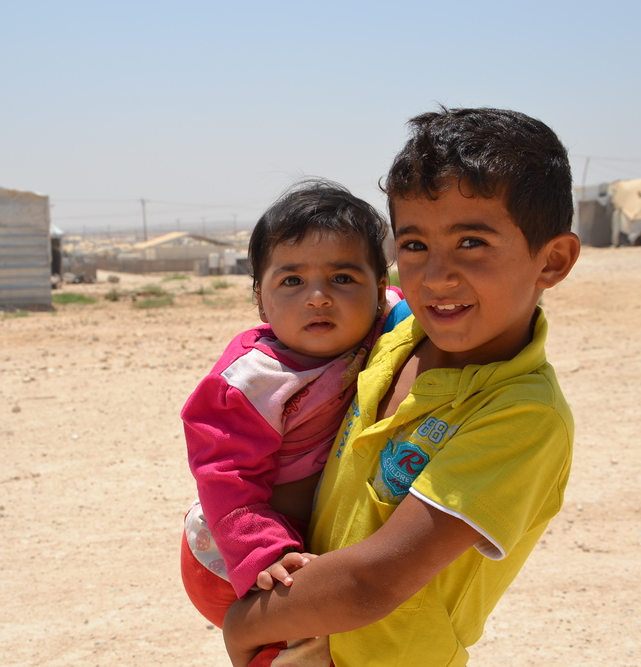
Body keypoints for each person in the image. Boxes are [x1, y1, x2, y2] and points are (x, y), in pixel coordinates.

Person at [221, 107, 582, 666]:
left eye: (471, 243)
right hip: (303, 637)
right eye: (414, 245)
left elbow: (373, 581)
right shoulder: (394, 333)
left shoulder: (522, 415)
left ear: (552, 260)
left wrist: (243, 624)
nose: (435, 275)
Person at [180, 180, 403, 628]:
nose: (317, 296)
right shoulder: (253, 380)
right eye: (292, 281)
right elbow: (226, 475)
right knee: (292, 649)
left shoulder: (389, 322)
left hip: (305, 543)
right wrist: (266, 552)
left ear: (379, 291)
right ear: (261, 301)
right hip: (237, 555)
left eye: (342, 278)